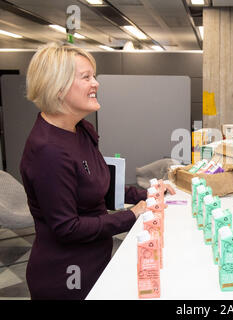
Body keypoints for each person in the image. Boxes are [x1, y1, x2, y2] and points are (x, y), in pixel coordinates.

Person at [20, 42, 148, 300]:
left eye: (94, 76)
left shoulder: (82, 130)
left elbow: (98, 184)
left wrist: (146, 193)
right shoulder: (48, 150)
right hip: (66, 277)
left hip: (95, 259)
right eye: (86, 77)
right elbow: (67, 228)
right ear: (58, 87)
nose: (96, 83)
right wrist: (131, 216)